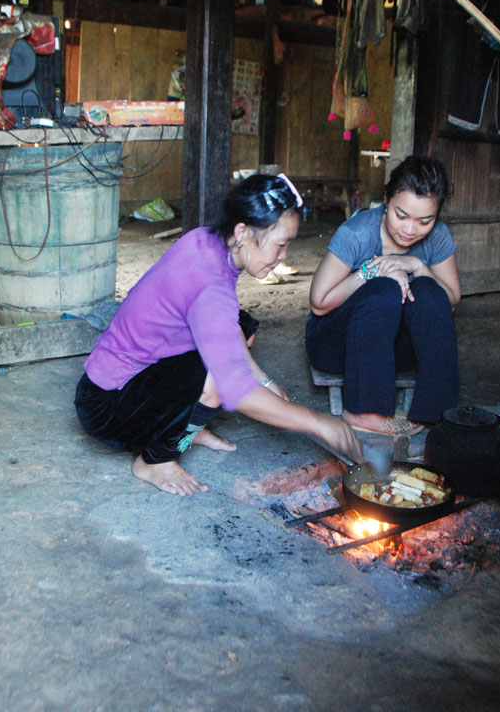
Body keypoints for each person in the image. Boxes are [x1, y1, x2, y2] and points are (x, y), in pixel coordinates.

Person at [75, 172, 363, 495]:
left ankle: (188, 425)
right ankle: (156, 459)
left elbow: (226, 326)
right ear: (242, 232)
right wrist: (319, 423)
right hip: (109, 405)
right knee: (217, 382)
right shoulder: (211, 286)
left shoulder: (208, 242)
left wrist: (264, 379)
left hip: (114, 377)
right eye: (281, 245)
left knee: (242, 327)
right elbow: (237, 389)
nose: (284, 256)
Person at [305, 155, 461, 437]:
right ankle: (365, 411)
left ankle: (436, 412)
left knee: (429, 290)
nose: (410, 229)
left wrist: (418, 266)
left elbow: (450, 300)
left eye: (424, 220)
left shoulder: (437, 236)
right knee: (385, 290)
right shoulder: (357, 233)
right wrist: (372, 271)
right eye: (401, 215)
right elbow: (319, 303)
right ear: (386, 200)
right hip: (335, 346)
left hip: (391, 351)